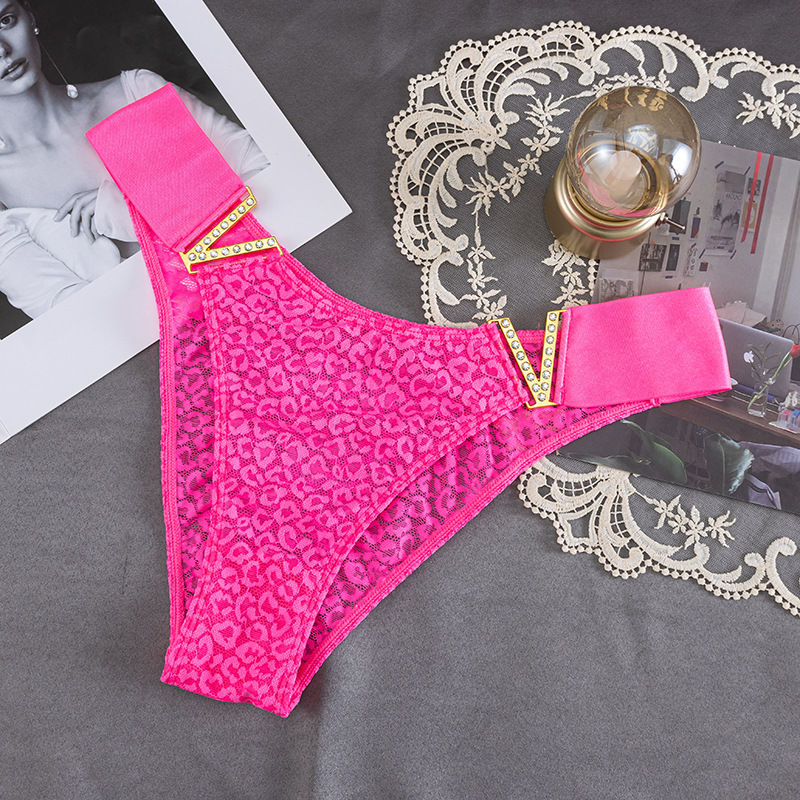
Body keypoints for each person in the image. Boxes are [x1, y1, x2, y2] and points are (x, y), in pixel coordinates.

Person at [0, 1, 268, 318]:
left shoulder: (138, 92)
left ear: (30, 18)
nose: (2, 50)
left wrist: (134, 201)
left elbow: (269, 175)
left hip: (266, 298)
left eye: (5, 20)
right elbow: (72, 323)